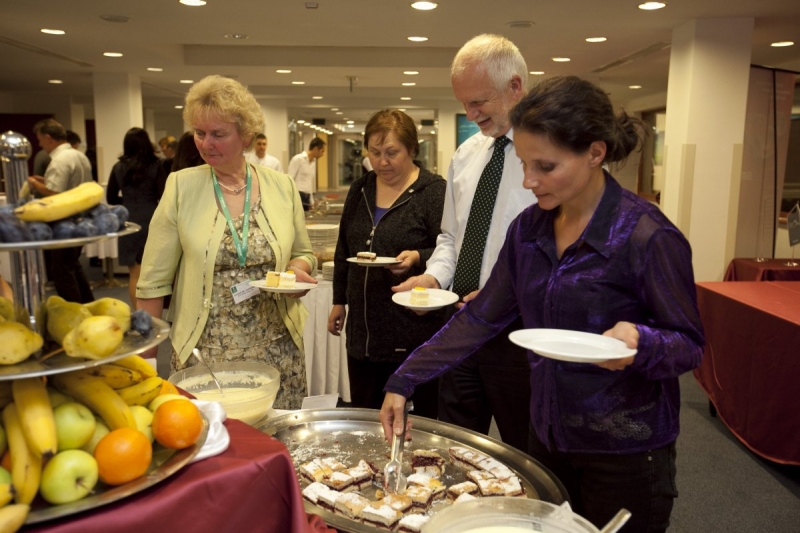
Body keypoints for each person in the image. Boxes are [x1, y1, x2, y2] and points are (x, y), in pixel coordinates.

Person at [381, 75, 705, 532]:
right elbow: (479, 316)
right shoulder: (529, 230)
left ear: (595, 153)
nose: (530, 181)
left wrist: (642, 341)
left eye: (546, 167)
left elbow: (689, 344)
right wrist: (405, 378)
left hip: (624, 451)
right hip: (546, 439)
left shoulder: (647, 236)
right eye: (524, 164)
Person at [137, 75, 316, 410]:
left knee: (278, 443)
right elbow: (152, 284)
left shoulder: (282, 187)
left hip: (278, 347)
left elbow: (303, 254)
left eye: (218, 134)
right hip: (206, 351)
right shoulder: (180, 187)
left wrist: (296, 271)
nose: (206, 144)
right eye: (200, 133)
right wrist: (145, 365)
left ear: (246, 136)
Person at [392, 34, 534, 451]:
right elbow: (451, 236)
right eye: (464, 104)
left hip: (517, 333)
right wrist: (434, 278)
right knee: (454, 447)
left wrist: (502, 298)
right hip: (460, 326)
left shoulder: (548, 159)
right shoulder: (468, 153)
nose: (471, 114)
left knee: (523, 451)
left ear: (515, 87)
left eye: (479, 102)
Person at [327, 109, 447, 418]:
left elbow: (448, 248)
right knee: (367, 418)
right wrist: (339, 301)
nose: (382, 162)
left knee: (416, 424)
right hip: (363, 333)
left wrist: (418, 256)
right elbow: (345, 248)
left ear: (412, 150)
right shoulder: (361, 189)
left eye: (392, 153)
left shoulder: (433, 192)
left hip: (412, 330)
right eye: (375, 152)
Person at [28, 118, 95, 303]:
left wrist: (34, 184)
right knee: (72, 266)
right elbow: (70, 186)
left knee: (61, 271)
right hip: (80, 218)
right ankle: (87, 306)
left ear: (49, 138)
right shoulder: (78, 155)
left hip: (64, 222)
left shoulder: (60, 159)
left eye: (40, 140)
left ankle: (74, 311)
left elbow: (55, 191)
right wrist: (43, 181)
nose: (40, 144)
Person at [106, 127, 167, 308]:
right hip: (151, 218)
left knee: (134, 273)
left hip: (128, 221)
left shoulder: (118, 167)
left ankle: (139, 313)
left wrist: (127, 199)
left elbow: (110, 198)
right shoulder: (156, 166)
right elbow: (163, 194)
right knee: (153, 271)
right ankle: (154, 312)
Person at [287, 137, 325, 211]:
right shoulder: (298, 159)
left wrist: (311, 201)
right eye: (322, 151)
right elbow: (289, 178)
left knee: (306, 220)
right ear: (316, 149)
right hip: (297, 195)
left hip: (306, 197)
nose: (322, 154)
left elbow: (309, 182)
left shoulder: (313, 162)